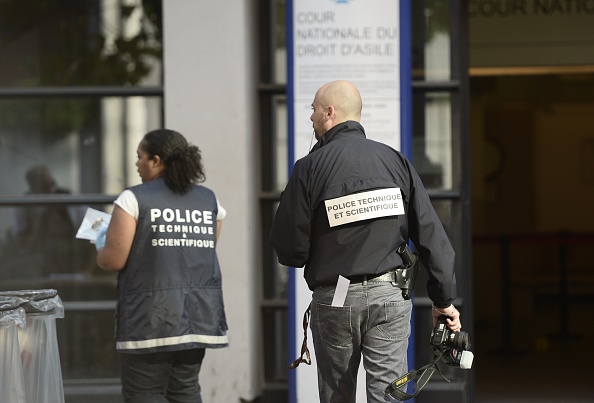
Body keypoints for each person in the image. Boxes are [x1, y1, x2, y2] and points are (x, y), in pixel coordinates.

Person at [269, 80, 462, 402]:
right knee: (389, 394)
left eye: (313, 110)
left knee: (336, 395)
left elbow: (290, 250)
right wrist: (443, 301)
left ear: (330, 112)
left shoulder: (309, 168)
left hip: (335, 297)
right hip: (390, 296)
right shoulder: (395, 161)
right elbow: (431, 235)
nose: (311, 118)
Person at [96, 129, 228, 403]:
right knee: (186, 392)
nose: (137, 164)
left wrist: (99, 246)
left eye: (139, 157)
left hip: (150, 317)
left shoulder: (133, 199)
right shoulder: (209, 200)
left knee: (144, 394)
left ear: (156, 161)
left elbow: (113, 260)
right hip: (197, 316)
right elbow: (203, 249)